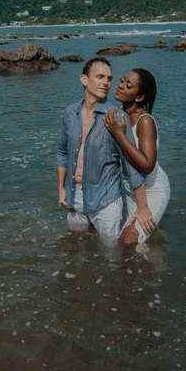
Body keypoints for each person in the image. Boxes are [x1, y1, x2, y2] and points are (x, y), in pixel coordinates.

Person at [56, 58, 146, 242]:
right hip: (74, 197)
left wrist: (142, 207)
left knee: (111, 257)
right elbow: (62, 152)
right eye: (100, 77)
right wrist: (61, 190)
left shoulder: (117, 117)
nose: (106, 83)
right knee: (75, 246)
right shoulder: (70, 113)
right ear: (84, 79)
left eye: (109, 78)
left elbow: (131, 165)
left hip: (106, 202)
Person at [103, 68, 170, 249]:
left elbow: (147, 166)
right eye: (122, 80)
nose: (121, 86)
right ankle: (153, 251)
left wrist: (120, 135)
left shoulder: (145, 122)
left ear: (139, 98)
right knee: (135, 242)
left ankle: (148, 273)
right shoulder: (118, 114)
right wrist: (75, 115)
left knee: (127, 243)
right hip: (131, 190)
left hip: (152, 190)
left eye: (128, 85)